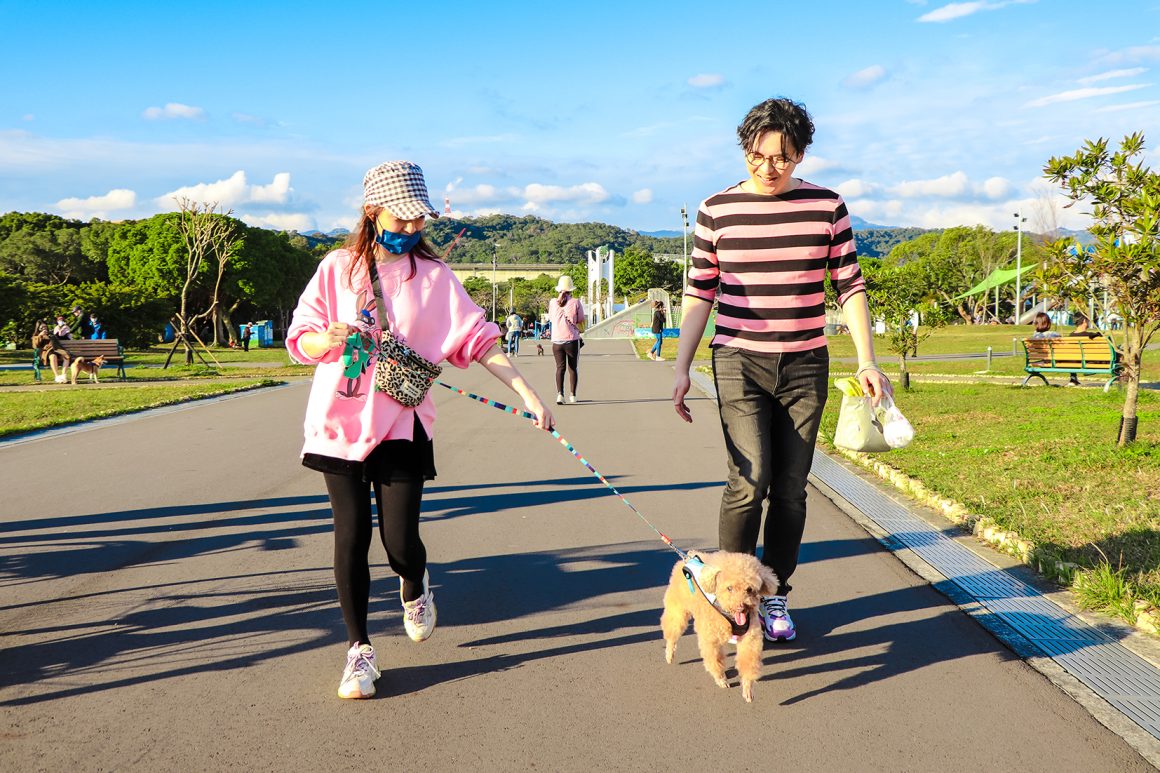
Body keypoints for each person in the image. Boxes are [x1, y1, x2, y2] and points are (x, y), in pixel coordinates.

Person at [286, 160, 553, 700]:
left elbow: (479, 340)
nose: (411, 229)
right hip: (338, 423)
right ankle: (359, 651)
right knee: (350, 537)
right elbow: (301, 337)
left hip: (401, 426)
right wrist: (326, 339)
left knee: (400, 541)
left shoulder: (433, 278)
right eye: (402, 219)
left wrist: (527, 393)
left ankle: (414, 584)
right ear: (372, 211)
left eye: (418, 221)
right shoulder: (337, 269)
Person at [671, 97, 892, 644]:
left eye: (784, 158)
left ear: (801, 154)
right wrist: (681, 367)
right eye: (758, 156)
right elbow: (699, 292)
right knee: (748, 482)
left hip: (804, 362)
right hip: (738, 360)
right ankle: (726, 593)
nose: (770, 168)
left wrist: (867, 360)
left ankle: (774, 596)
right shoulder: (716, 209)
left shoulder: (827, 207)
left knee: (791, 489)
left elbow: (849, 286)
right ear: (744, 150)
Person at [548, 275, 584, 404]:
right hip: (572, 340)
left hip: (556, 341)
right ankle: (573, 395)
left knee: (560, 368)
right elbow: (580, 320)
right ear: (571, 289)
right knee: (573, 368)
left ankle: (560, 395)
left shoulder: (552, 302)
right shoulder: (575, 302)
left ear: (559, 289)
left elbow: (551, 319)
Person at [33, 319, 71, 383]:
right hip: (46, 352)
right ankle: (57, 376)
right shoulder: (36, 336)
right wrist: (40, 336)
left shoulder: (51, 334)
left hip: (56, 350)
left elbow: (57, 342)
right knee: (53, 357)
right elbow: (35, 345)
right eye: (42, 327)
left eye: (45, 327)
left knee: (66, 356)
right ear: (39, 328)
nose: (44, 328)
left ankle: (63, 375)